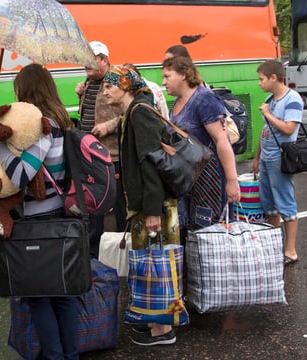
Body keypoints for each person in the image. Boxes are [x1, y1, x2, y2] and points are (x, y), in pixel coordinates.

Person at [0, 63, 78, 359]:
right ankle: (70, 355)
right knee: (64, 295)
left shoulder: (41, 125)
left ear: (26, 91)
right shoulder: (62, 120)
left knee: (39, 297)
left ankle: (55, 356)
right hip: (61, 215)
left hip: (42, 218)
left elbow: (23, 174)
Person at [102, 65, 180, 346]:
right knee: (148, 265)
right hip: (148, 204)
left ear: (125, 87)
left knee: (155, 265)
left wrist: (151, 212)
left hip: (154, 206)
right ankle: (153, 321)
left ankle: (163, 330)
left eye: (109, 86)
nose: (105, 91)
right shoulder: (133, 111)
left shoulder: (140, 112)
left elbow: (151, 163)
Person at [161, 56, 240, 235]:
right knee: (196, 236)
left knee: (213, 236)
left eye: (167, 76)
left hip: (211, 182)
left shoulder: (204, 99)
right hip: (190, 182)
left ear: (183, 74)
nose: (163, 82)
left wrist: (232, 180)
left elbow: (222, 140)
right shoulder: (178, 102)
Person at [74, 40, 126, 256]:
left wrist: (109, 126)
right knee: (92, 202)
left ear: (104, 60)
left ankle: (124, 247)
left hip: (111, 156)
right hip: (90, 156)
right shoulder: (88, 82)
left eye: (91, 60)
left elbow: (132, 113)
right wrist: (80, 95)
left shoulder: (116, 80)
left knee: (119, 204)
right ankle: (94, 253)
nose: (86, 64)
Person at [252, 59, 302, 265]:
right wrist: (256, 158)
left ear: (274, 78)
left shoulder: (292, 99)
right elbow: (265, 132)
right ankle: (275, 246)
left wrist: (268, 114)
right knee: (269, 204)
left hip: (281, 159)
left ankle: (290, 251)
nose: (259, 83)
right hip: (266, 158)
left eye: (261, 79)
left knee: (285, 203)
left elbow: (289, 129)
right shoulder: (270, 99)